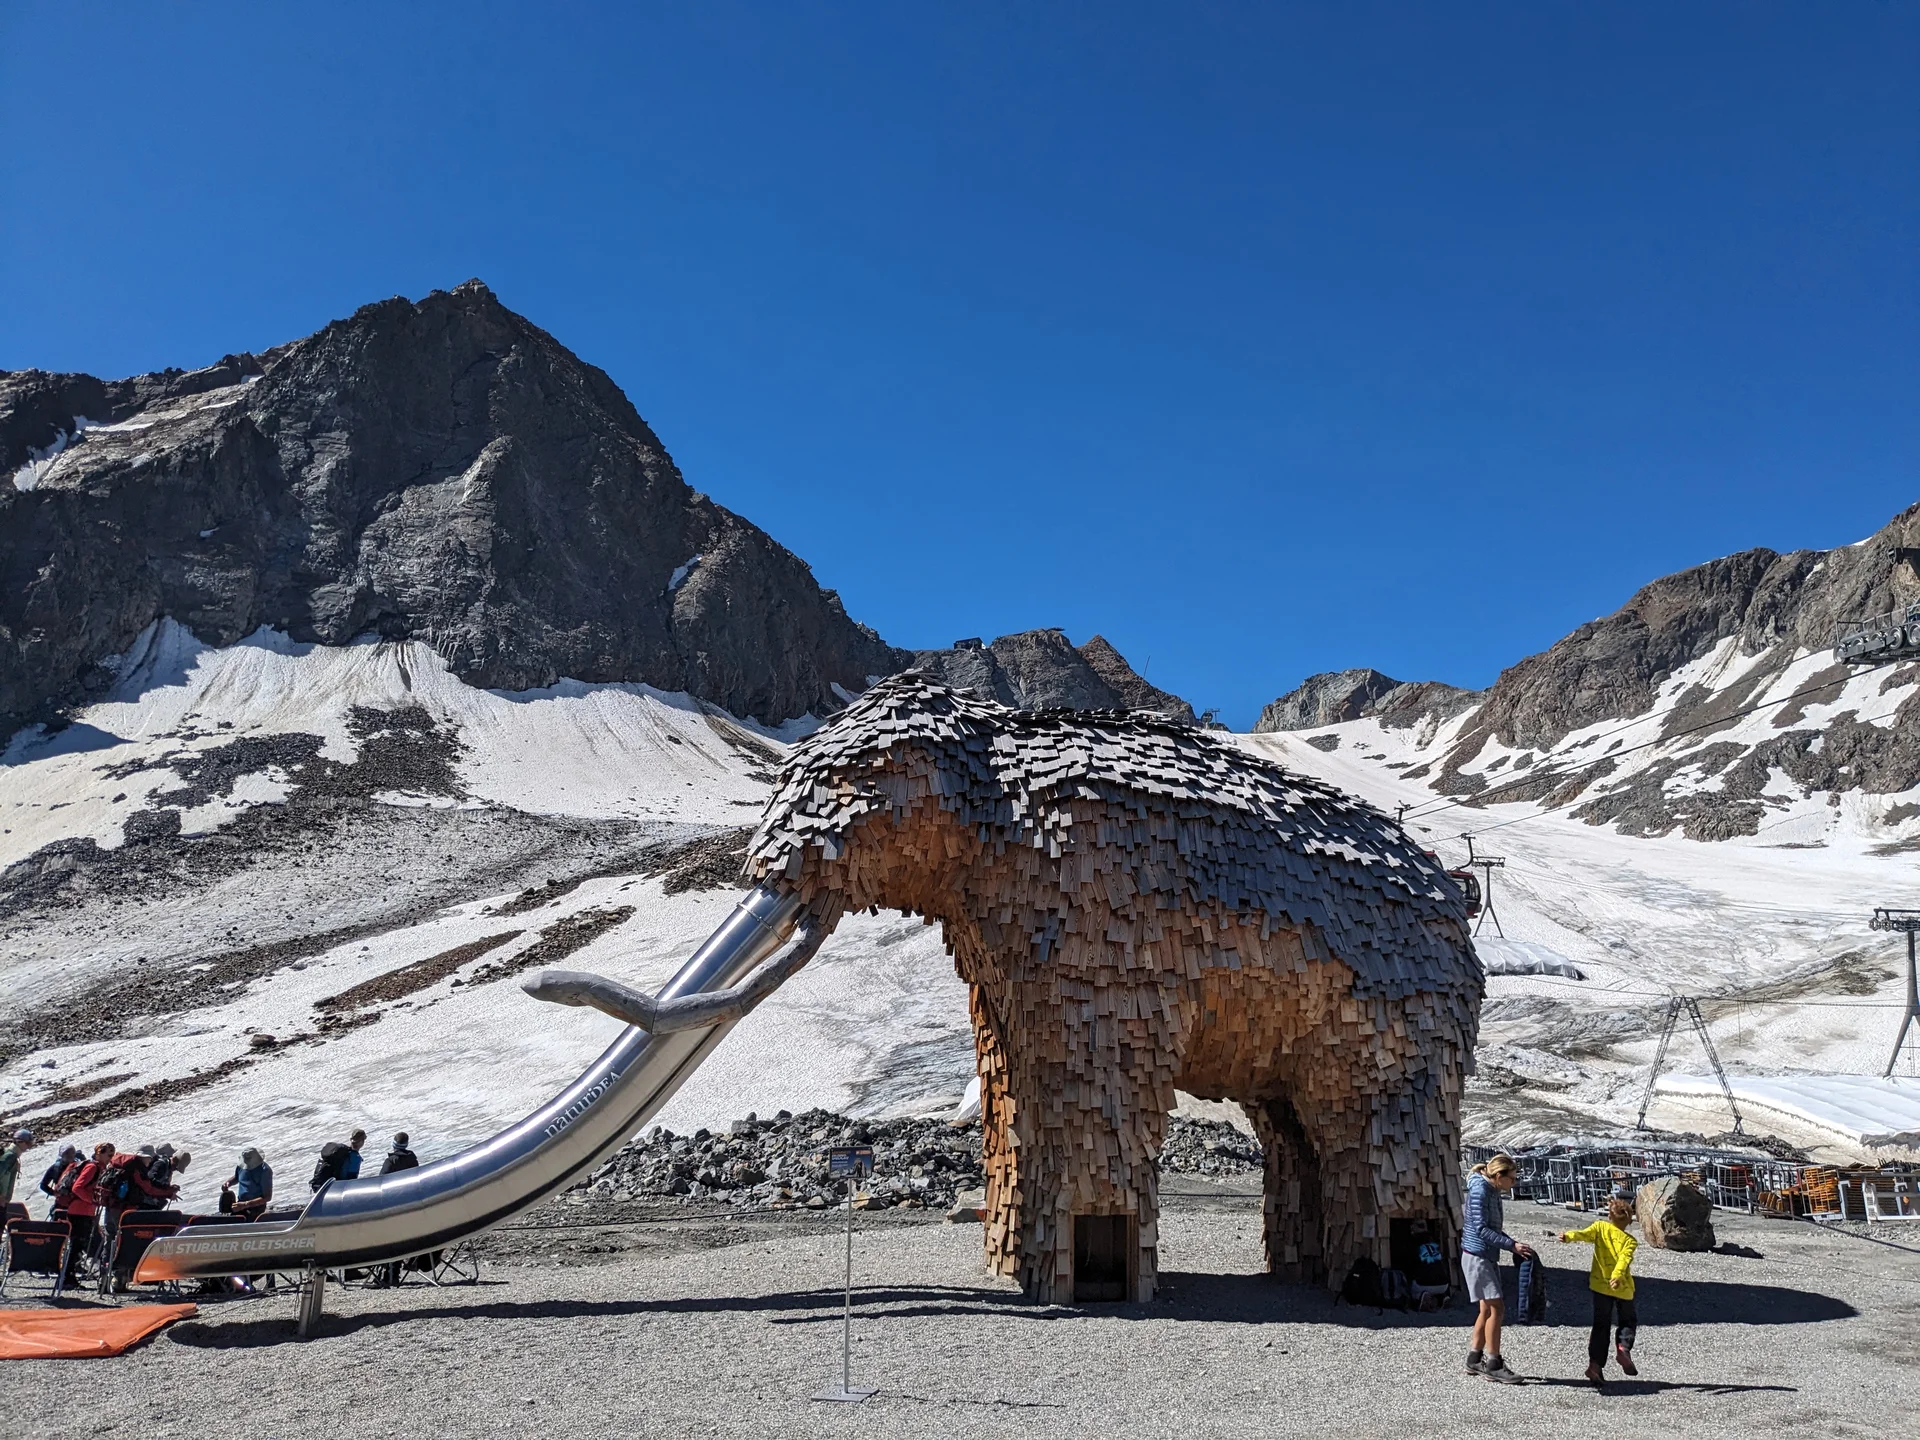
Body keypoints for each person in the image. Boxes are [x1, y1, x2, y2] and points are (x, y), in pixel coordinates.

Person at [1462, 1152, 1535, 1384]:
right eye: (1511, 1179)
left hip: (1485, 1255)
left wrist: (1512, 1244)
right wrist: (1511, 1245)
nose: (1513, 1183)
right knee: (1497, 1308)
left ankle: (1474, 1358)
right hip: (1478, 1256)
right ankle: (1493, 1362)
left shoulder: (1491, 1190)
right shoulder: (1481, 1191)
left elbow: (1490, 1228)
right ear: (1499, 1175)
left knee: (1486, 1309)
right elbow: (1482, 1229)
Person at [1562, 1189, 1641, 1386]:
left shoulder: (1599, 1228)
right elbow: (1624, 1260)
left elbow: (1583, 1234)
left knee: (1601, 1326)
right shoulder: (1630, 1241)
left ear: (1609, 1216)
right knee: (1627, 1320)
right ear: (1629, 1221)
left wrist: (1569, 1236)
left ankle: (1595, 1366)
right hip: (1622, 1287)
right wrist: (1617, 1276)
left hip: (1599, 1285)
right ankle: (1623, 1348)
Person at [59, 1142, 115, 1283]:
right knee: (77, 1244)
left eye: (112, 1154)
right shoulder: (92, 1167)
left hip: (84, 1211)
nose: (110, 1157)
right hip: (80, 1211)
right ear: (98, 1154)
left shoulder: (98, 1168)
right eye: (108, 1154)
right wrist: (92, 1200)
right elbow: (77, 1188)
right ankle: (67, 1277)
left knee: (79, 1244)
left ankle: (68, 1276)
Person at [221, 1148, 274, 1220]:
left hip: (256, 1208)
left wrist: (245, 1204)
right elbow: (237, 1177)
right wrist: (228, 1183)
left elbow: (267, 1197)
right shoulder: (242, 1166)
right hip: (240, 1203)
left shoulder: (265, 1171)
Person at [39, 1145, 81, 1214]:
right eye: (67, 1153)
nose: (70, 1155)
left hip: (75, 1202)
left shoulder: (79, 1166)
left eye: (72, 1153)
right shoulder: (55, 1168)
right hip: (63, 1203)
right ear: (62, 1155)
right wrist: (54, 1193)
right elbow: (43, 1185)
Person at [0, 1126, 33, 1210]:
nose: (29, 1146)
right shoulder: (9, 1156)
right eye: (28, 1143)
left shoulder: (12, 1155)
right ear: (19, 1142)